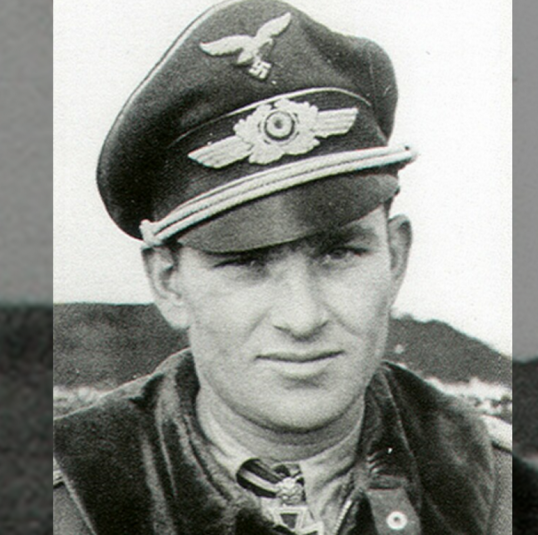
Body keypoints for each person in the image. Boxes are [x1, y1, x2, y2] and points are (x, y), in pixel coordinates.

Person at [53, 1, 512, 533]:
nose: (302, 318)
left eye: (339, 253)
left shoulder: (503, 491)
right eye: (246, 262)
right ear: (168, 281)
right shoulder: (66, 504)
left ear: (396, 257)